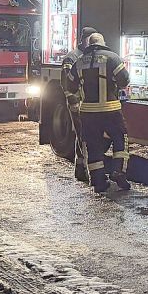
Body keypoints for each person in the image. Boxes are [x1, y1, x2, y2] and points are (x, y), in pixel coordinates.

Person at [66, 33, 132, 193]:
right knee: (120, 139)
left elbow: (70, 85)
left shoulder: (79, 61)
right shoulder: (112, 57)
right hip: (110, 110)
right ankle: (118, 171)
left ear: (89, 44)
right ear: (103, 43)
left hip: (88, 113)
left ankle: (98, 182)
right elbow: (124, 80)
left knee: (93, 146)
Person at [61, 26, 97, 182]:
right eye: (89, 39)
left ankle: (80, 168)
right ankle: (86, 171)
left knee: (81, 135)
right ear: (83, 39)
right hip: (77, 102)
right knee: (83, 136)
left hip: (86, 103)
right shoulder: (72, 57)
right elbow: (66, 82)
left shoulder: (89, 55)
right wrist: (73, 101)